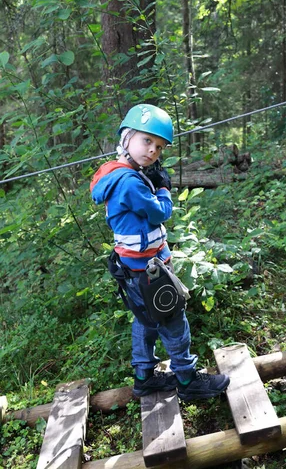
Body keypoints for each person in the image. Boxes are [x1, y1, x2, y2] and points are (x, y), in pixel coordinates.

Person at [90, 103, 230, 401]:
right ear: (126, 138)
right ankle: (187, 380)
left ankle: (144, 377)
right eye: (146, 141)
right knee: (173, 321)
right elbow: (158, 214)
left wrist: (149, 180)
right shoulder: (129, 182)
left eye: (159, 146)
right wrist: (163, 188)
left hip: (134, 269)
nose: (153, 150)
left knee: (146, 321)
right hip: (148, 272)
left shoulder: (118, 173)